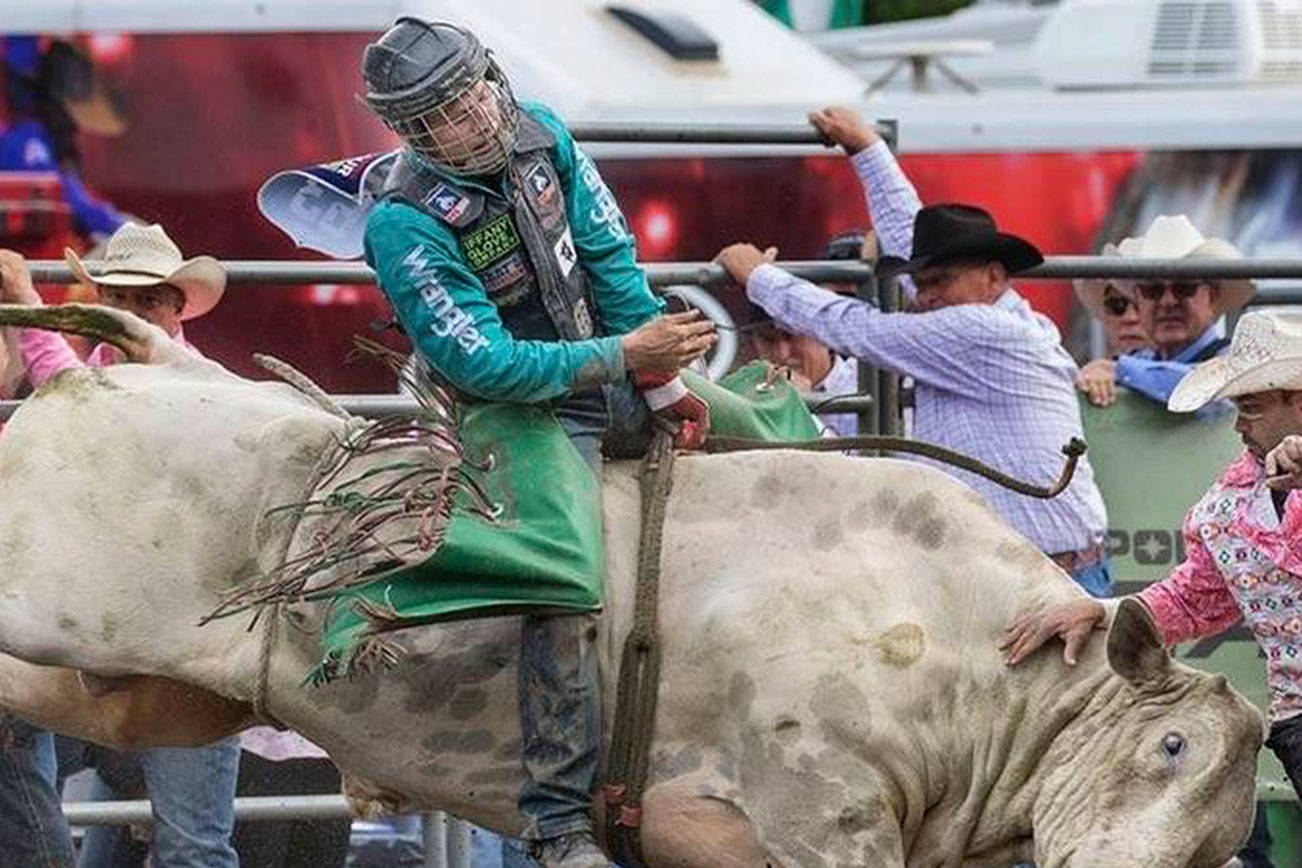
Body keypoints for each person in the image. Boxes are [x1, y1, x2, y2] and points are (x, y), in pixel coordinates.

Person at [358, 18, 714, 868]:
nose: (474, 116)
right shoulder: (403, 224)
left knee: (772, 425)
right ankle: (558, 822)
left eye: (475, 90)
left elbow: (610, 259)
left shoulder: (542, 133)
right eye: (444, 111)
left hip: (610, 369)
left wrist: (662, 384)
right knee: (562, 585)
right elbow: (477, 361)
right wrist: (625, 358)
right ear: (412, 132)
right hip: (514, 411)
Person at [715, 105, 1111, 597]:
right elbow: (910, 243)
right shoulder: (992, 319)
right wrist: (867, 149)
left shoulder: (977, 330)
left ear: (993, 277)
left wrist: (759, 278)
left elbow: (858, 327)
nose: (923, 295)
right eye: (920, 284)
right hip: (1030, 571)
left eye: (939, 281)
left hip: (1042, 578)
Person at [0, 223, 240, 868]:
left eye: (148, 300)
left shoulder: (201, 381)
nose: (132, 315)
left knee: (192, 845)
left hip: (182, 649)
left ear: (176, 307)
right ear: (98, 301)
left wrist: (24, 297)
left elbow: (81, 399)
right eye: (119, 300)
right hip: (101, 640)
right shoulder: (89, 379)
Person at [1000, 309, 1302, 807]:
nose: (1239, 426)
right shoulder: (1228, 508)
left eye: (1251, 408)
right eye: (1239, 409)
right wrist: (1100, 610)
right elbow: (1192, 598)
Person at [1076, 215, 1254, 411]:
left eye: (1184, 288)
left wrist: (1117, 371)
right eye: (1153, 290)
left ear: (1211, 297)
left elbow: (1206, 385)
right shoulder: (1139, 361)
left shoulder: (1236, 358)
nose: (1168, 301)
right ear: (1139, 300)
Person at [748, 230, 872, 436]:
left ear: (823, 331)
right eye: (767, 339)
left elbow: (856, 465)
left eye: (791, 336)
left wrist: (796, 409)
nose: (782, 354)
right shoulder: (747, 391)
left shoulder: (864, 382)